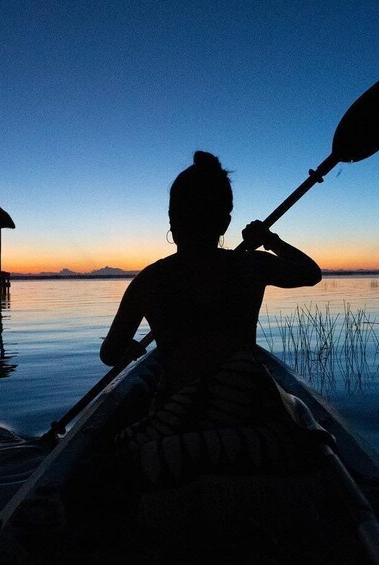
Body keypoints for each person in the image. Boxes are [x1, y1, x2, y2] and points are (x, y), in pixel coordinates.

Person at [100, 151, 322, 480]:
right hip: (246, 414)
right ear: (225, 223)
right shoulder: (249, 265)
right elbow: (310, 272)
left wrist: (129, 349)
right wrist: (269, 240)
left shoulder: (149, 280)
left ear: (172, 221)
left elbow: (109, 354)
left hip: (175, 419)